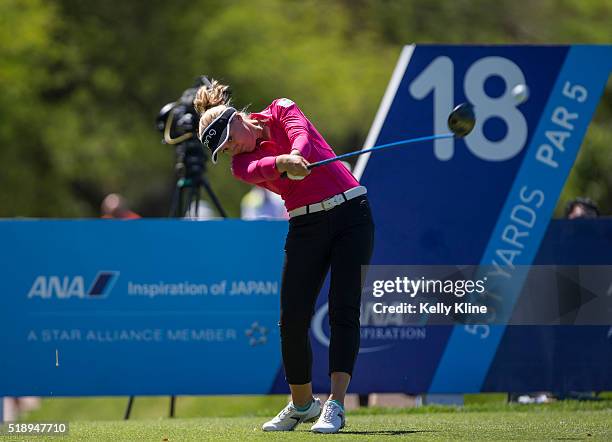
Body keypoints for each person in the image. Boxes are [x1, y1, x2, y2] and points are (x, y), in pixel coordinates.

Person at [194, 80, 375, 433]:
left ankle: (335, 405)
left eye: (229, 141)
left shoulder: (281, 107)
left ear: (236, 120)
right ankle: (303, 404)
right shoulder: (240, 165)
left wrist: (297, 155)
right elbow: (259, 169)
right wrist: (282, 162)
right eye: (224, 150)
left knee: (343, 309)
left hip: (352, 213)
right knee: (292, 318)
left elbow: (299, 132)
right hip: (305, 224)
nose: (231, 150)